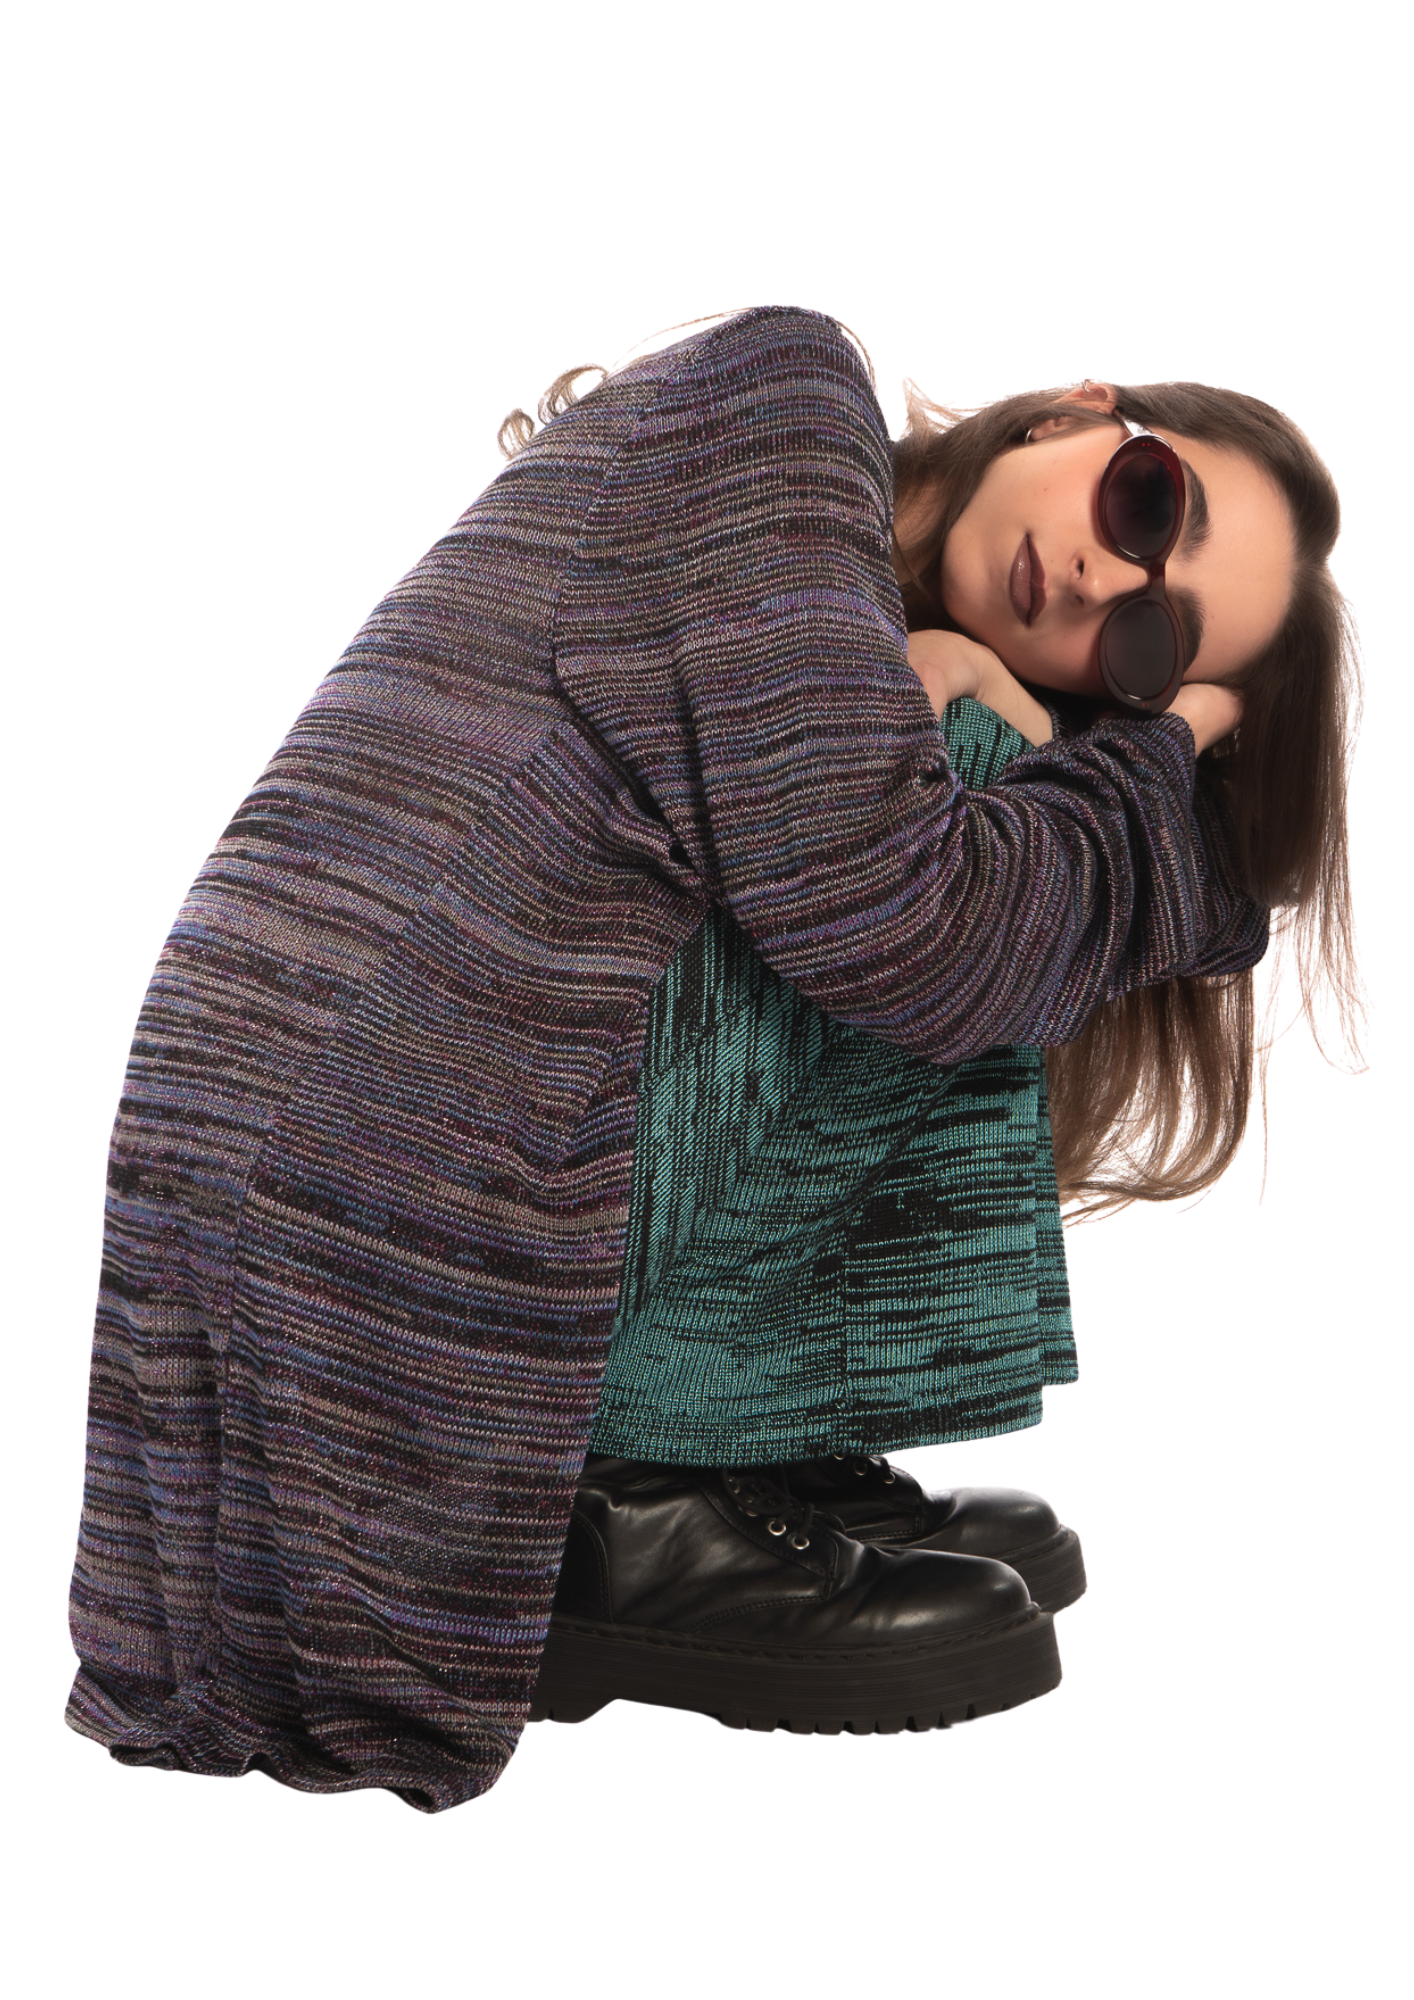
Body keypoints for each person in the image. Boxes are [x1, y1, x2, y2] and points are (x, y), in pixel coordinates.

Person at [65, 305, 1354, 1811]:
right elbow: (911, 934)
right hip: (366, 1176)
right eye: (1148, 504)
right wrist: (1143, 760)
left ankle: (722, 1433)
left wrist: (1052, 731)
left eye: (1147, 642)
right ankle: (624, 1493)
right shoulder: (780, 395)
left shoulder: (837, 583)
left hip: (360, 1140)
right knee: (981, 850)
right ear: (1075, 414)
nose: (1092, 581)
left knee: (983, 817)